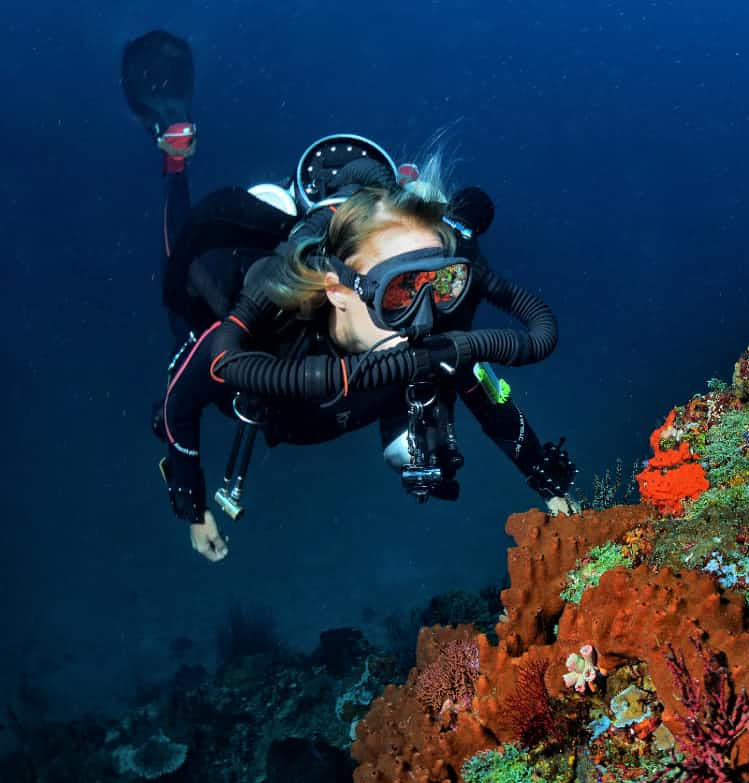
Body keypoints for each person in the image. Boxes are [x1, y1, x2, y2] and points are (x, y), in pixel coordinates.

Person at [122, 31, 580, 563]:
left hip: (339, 400)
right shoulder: (267, 325)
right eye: (399, 290)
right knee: (183, 267)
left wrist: (548, 484)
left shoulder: (432, 331)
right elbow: (180, 404)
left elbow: (493, 402)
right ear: (338, 290)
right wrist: (192, 505)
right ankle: (174, 160)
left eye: (440, 283)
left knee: (422, 433)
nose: (425, 319)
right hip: (262, 379)